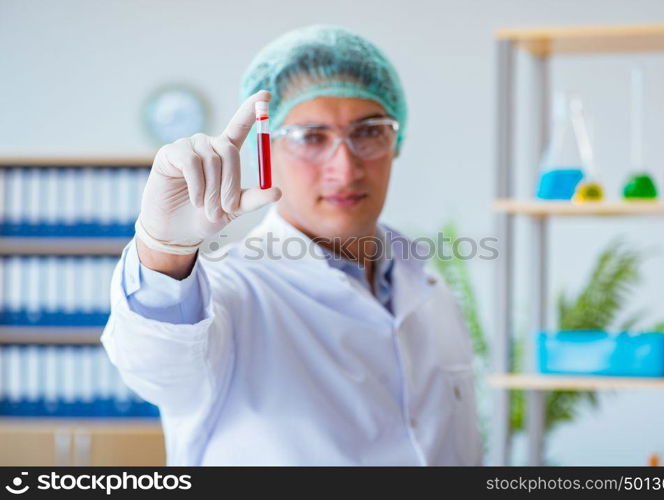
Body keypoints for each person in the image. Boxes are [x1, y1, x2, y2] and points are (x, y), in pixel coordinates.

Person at [102, 25, 482, 466]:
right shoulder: (231, 290)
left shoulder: (430, 290)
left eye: (368, 132)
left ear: (395, 141)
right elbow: (158, 369)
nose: (345, 167)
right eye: (310, 137)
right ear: (268, 151)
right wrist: (163, 250)